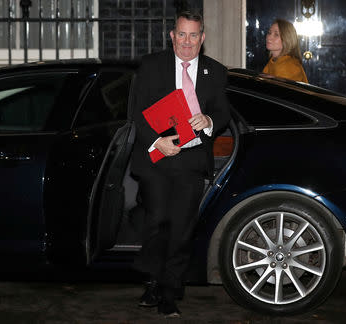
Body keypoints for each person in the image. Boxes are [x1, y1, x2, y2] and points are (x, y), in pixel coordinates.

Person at [130, 10, 230, 318]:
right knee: (157, 220)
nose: (187, 42)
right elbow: (136, 111)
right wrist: (157, 142)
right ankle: (153, 280)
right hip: (157, 157)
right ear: (172, 36)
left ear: (202, 38)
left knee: (181, 229)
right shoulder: (151, 66)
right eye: (181, 35)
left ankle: (168, 292)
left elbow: (223, 112)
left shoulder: (216, 71)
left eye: (193, 36)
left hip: (191, 160)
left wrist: (210, 119)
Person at [263, 19, 308, 83]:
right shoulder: (273, 62)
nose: (269, 37)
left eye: (276, 35)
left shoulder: (289, 67)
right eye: (269, 33)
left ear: (287, 39)